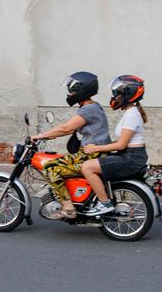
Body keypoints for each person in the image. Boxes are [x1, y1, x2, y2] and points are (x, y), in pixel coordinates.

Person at [32, 71, 111, 219]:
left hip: (90, 155)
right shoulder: (93, 106)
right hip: (91, 152)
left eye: (73, 89)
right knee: (57, 162)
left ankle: (68, 208)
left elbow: (66, 128)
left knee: (50, 168)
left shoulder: (88, 109)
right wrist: (49, 136)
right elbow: (68, 128)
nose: (70, 93)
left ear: (82, 90)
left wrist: (41, 136)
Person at [81, 75, 148, 216]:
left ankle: (104, 203)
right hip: (130, 155)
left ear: (128, 94)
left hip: (131, 159)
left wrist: (95, 148)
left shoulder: (132, 115)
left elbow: (122, 145)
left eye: (117, 93)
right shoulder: (131, 112)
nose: (114, 97)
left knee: (87, 167)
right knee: (95, 162)